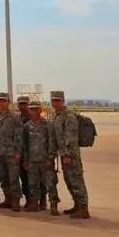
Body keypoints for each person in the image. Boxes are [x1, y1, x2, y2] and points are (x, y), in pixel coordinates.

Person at [49, 90, 90, 219]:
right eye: (53, 100)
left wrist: (67, 155)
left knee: (76, 180)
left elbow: (70, 138)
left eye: (58, 100)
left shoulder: (69, 117)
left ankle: (83, 208)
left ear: (63, 101)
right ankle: (77, 205)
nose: (55, 103)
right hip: (63, 154)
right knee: (69, 180)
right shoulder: (55, 116)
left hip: (70, 155)